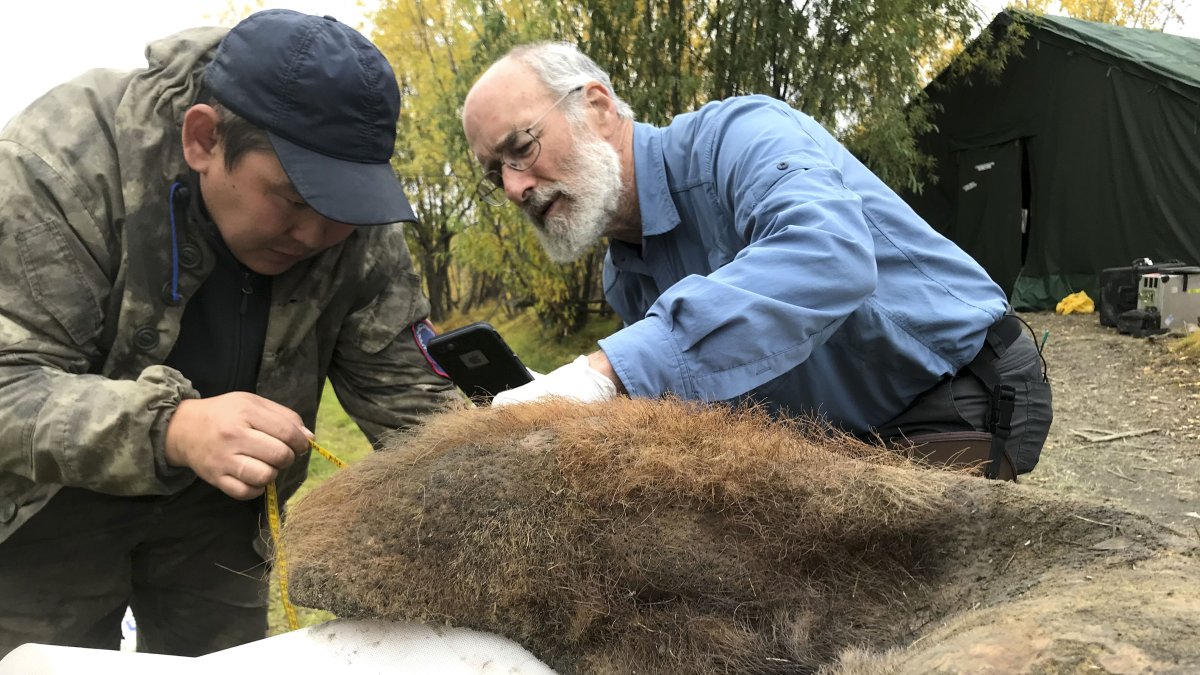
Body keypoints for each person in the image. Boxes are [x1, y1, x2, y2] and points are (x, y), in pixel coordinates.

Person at [0, 9, 455, 657]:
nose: (319, 236)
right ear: (204, 138)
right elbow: (8, 386)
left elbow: (418, 407)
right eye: (294, 200)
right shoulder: (61, 166)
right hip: (46, 510)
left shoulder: (351, 217)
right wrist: (172, 428)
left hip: (217, 516)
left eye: (343, 211)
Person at [461, 42, 1052, 476]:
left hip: (956, 390)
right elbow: (688, 390)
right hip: (842, 438)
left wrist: (605, 372)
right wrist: (575, 399)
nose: (516, 188)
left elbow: (830, 255)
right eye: (497, 174)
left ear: (596, 104)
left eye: (521, 147)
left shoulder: (740, 136)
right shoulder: (624, 274)